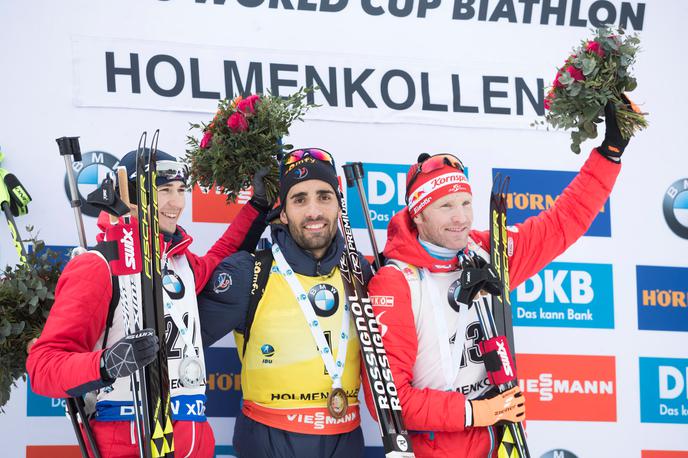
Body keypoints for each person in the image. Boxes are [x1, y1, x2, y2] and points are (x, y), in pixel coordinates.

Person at [364, 101, 634, 457]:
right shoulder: (395, 282)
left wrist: (609, 154)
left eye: (465, 203)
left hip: (503, 444)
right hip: (439, 448)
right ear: (419, 216)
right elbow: (387, 398)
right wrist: (476, 412)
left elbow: (561, 223)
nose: (460, 218)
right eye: (445, 207)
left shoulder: (485, 254)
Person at [26, 149, 271, 457]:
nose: (177, 203)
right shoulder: (98, 266)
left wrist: (258, 206)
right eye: (164, 190)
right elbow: (43, 367)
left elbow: (219, 260)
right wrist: (106, 363)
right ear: (130, 197)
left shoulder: (179, 262)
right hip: (129, 443)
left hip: (193, 444)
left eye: (181, 190)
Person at [198, 148, 369, 458]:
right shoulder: (249, 272)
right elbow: (179, 340)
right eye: (300, 199)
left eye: (324, 197)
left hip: (347, 441)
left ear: (339, 206)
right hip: (268, 442)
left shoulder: (361, 272)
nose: (314, 211)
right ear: (284, 212)